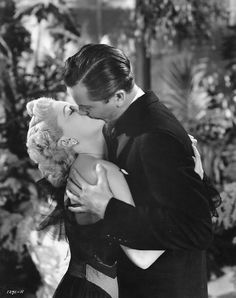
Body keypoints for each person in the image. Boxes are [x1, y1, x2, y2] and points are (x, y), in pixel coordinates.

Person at [63, 44, 221, 298]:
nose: (82, 113)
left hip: (165, 289)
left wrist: (106, 208)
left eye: (87, 107)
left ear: (118, 97)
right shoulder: (126, 121)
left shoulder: (154, 136)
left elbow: (196, 229)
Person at [26, 97, 173, 298]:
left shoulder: (88, 166)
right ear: (67, 140)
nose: (81, 109)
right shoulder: (99, 170)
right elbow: (143, 255)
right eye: (70, 111)